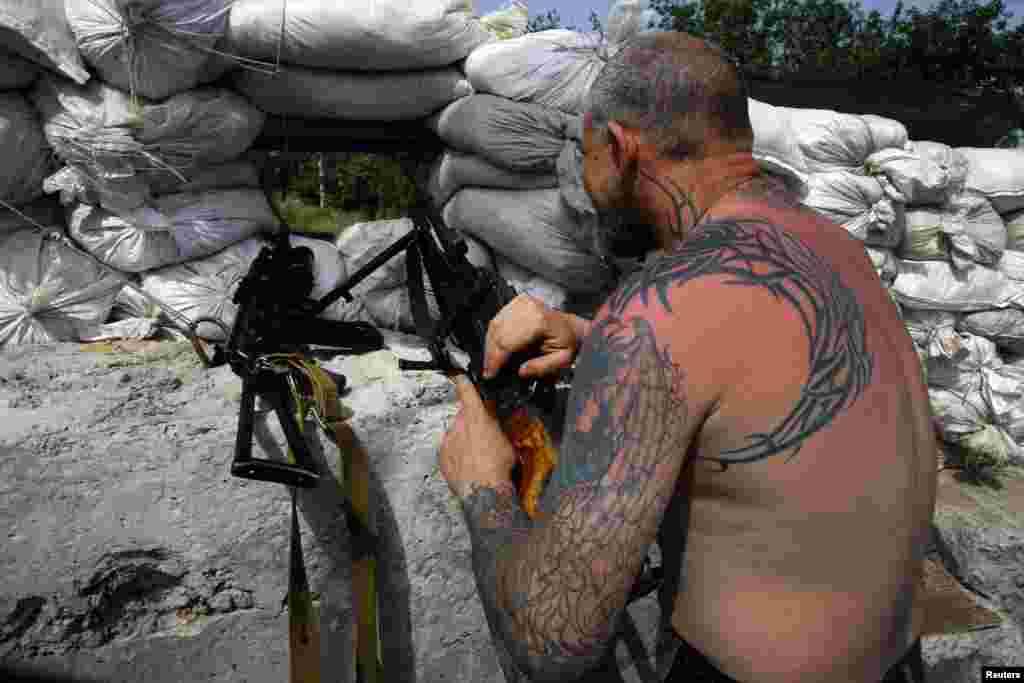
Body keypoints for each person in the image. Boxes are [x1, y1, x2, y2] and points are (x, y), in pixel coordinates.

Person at [438, 31, 935, 683]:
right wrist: (593, 338)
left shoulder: (656, 310)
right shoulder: (836, 250)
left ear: (619, 147)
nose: (587, 190)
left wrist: (481, 485)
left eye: (587, 158)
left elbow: (553, 638)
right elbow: (770, 369)